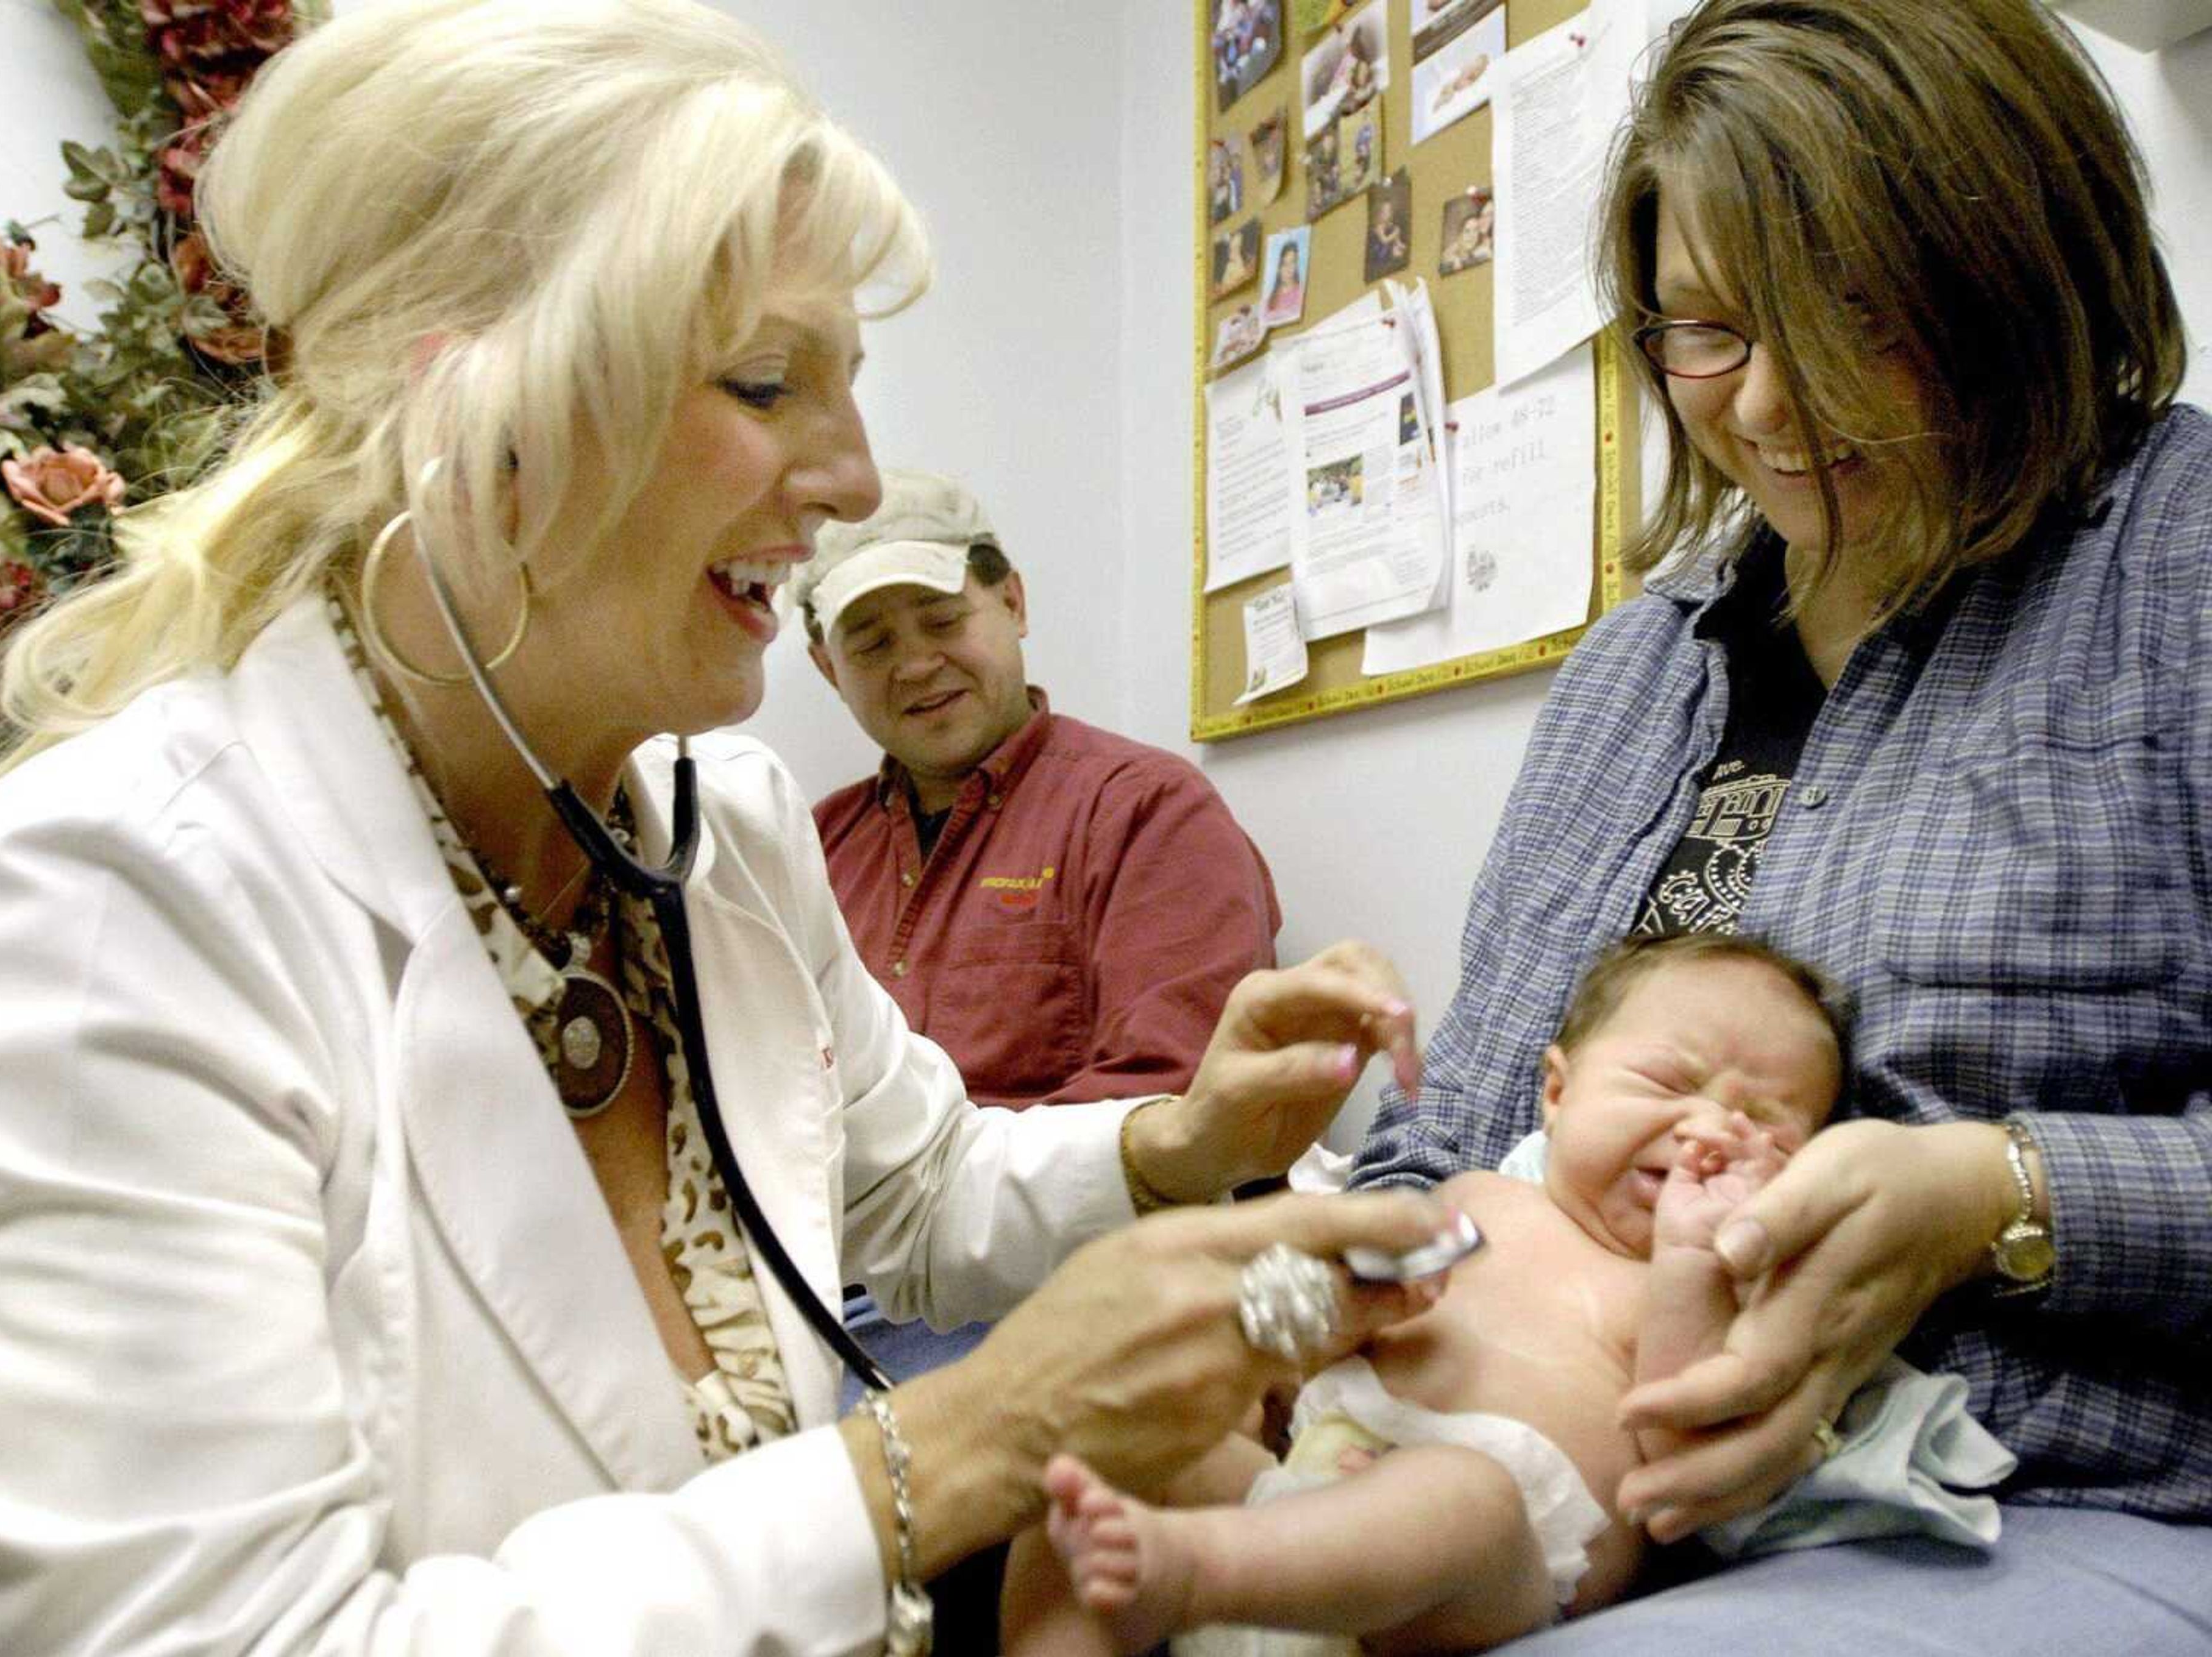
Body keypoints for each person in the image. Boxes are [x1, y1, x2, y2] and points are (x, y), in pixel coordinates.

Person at [0, 5, 1465, 1653]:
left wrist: (1178, 1143)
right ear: (474, 414)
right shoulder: (92, 925)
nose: (853, 478)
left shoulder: (728, 830)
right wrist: (955, 1449)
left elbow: (909, 1182)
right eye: (772, 381)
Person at [1354, 0, 2211, 1648]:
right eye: (1709, 331)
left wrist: (2000, 1188)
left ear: (2019, 273)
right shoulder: (1636, 668)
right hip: (1522, 1459)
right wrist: (1300, 1268)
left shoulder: (2174, 562)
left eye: (1855, 318)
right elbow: (1466, 1111)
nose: (1773, 412)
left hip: (2012, 1503)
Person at [1007, 934, 1854, 1655]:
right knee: (1102, 1436)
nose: (1708, 1130)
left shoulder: (1716, 1285)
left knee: (1464, 1495)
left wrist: (1691, 1264)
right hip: (1295, 1480)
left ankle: (1196, 1570)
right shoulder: (1475, 1198)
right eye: (1672, 1084)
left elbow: (1685, 1466)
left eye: (1764, 1125)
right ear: (1558, 1093)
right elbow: (1326, 1326)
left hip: (1487, 1569)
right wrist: (1273, 1361)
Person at [798, 469, 1282, 1111]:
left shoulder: (1146, 813)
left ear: (1014, 603)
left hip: (1079, 1211)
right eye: (873, 643)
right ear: (828, 668)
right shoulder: (810, 848)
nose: (915, 665)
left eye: (942, 621)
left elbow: (1183, 1104)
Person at [1264, 240, 1305, 324]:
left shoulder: (1301, 292)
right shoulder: (1271, 299)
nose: (1288, 269)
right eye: (1284, 263)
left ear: (1297, 266)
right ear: (1279, 267)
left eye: (1292, 262)